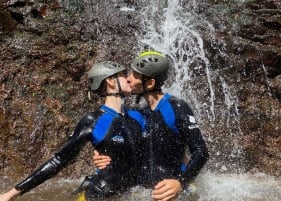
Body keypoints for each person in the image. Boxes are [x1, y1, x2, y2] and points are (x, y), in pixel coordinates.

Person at [0, 61, 142, 201]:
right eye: (123, 75)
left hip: (129, 193)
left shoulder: (137, 116)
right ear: (111, 81)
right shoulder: (93, 120)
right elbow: (59, 160)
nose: (129, 78)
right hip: (97, 194)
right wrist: (13, 193)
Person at [93, 50, 209, 201]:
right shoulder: (136, 113)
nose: (127, 79)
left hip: (169, 192)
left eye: (134, 75)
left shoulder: (176, 107)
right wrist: (101, 153)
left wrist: (180, 182)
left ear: (150, 83)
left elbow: (201, 151)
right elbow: (116, 141)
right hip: (140, 192)